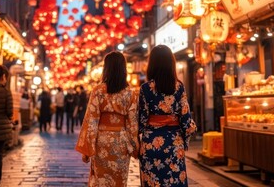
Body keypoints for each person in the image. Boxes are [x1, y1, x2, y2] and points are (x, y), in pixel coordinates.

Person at [75, 51, 139, 186]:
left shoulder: (98, 91)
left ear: (106, 68)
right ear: (124, 69)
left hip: (101, 142)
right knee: (119, 180)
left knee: (101, 180)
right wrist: (134, 147)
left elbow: (91, 120)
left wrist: (87, 149)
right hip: (121, 142)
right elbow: (132, 123)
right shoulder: (130, 93)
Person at [138, 45, 197, 187]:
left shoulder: (145, 88)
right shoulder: (179, 87)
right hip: (173, 143)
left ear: (152, 64)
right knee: (175, 181)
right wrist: (186, 139)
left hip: (151, 143)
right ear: (171, 64)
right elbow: (186, 120)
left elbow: (141, 119)